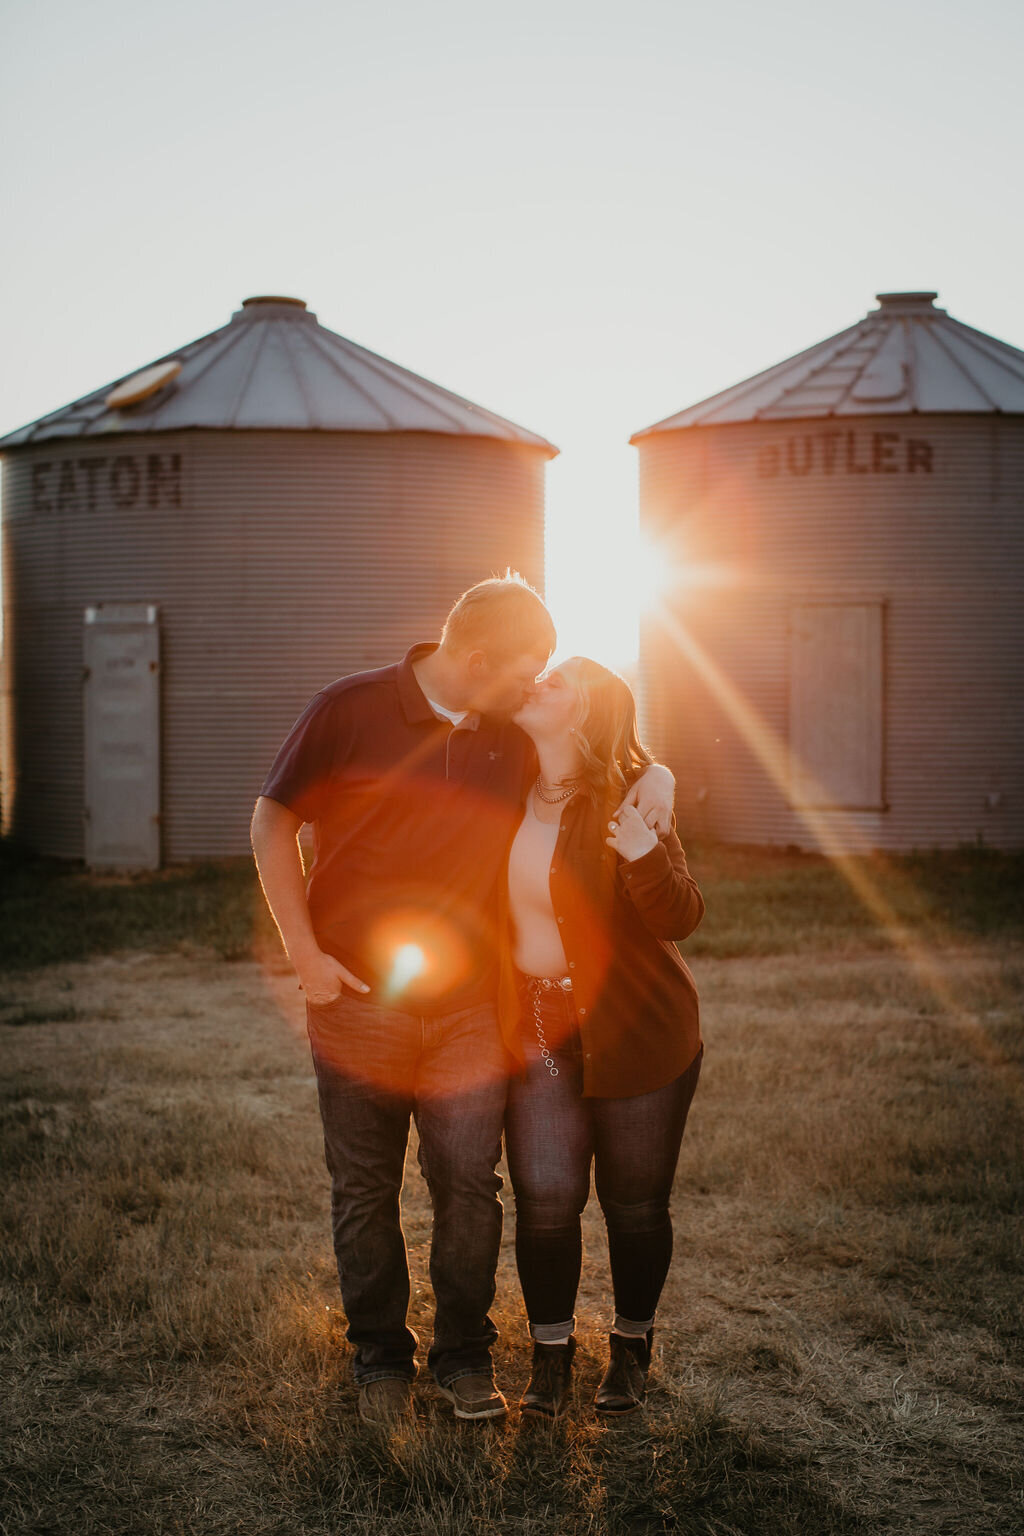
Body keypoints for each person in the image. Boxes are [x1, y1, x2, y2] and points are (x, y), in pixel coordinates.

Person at [250, 576, 675, 1426]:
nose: (536, 686)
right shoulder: (348, 709)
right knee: (364, 1188)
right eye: (529, 669)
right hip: (358, 1001)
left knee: (469, 1186)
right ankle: (379, 1359)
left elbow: (602, 748)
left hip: (474, 1009)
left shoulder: (508, 731)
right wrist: (307, 958)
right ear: (478, 660)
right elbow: (271, 822)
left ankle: (462, 1358)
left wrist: (658, 773)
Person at [499, 656, 704, 1419]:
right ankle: (550, 1361)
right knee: (546, 1200)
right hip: (538, 1030)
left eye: (552, 682)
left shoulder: (627, 801)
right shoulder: (502, 784)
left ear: (583, 712)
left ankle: (631, 1349)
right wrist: (664, 770)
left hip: (639, 1033)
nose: (533, 683)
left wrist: (647, 849)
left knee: (635, 1206)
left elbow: (680, 917)